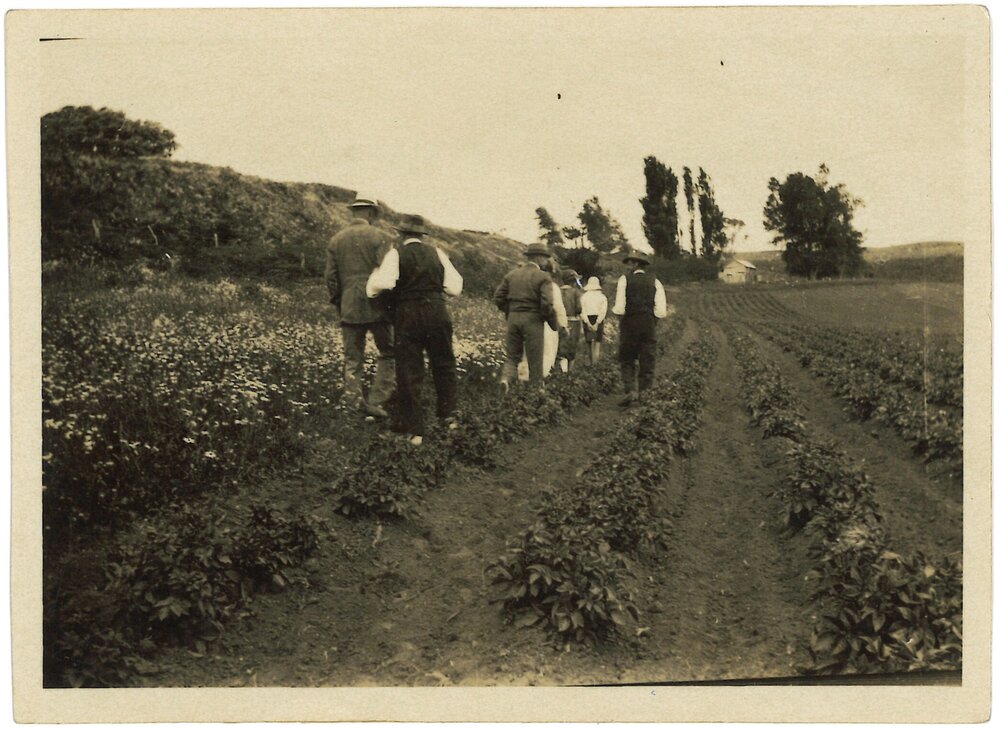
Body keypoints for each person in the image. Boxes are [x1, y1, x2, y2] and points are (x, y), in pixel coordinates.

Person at [366, 214, 463, 446]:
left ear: (400, 234)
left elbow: (384, 283)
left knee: (409, 369)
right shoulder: (438, 253)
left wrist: (372, 286)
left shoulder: (396, 253)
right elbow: (455, 287)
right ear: (421, 235)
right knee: (444, 364)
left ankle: (414, 430)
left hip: (408, 314)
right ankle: (448, 419)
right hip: (438, 313)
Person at [324, 192, 395, 418]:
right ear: (371, 212)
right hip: (378, 306)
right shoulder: (380, 237)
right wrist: (390, 305)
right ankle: (377, 401)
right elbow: (388, 273)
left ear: (354, 211)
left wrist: (340, 301)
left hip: (349, 305)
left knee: (352, 358)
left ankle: (353, 403)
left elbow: (330, 278)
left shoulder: (336, 240)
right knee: (388, 351)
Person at [493, 243, 561, 389]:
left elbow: (498, 298)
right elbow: (547, 303)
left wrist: (510, 311)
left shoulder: (512, 275)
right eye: (544, 258)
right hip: (533, 320)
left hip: (513, 319)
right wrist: (550, 322)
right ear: (538, 258)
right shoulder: (543, 277)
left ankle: (505, 379)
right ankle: (536, 394)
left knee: (512, 356)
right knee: (535, 360)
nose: (546, 261)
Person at [612, 251, 667, 406]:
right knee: (647, 359)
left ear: (636, 264)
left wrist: (623, 322)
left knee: (627, 358)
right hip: (648, 323)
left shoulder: (624, 280)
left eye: (630, 263)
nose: (628, 266)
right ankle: (645, 395)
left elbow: (619, 308)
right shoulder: (655, 282)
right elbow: (661, 310)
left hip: (630, 323)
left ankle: (630, 391)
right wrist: (651, 321)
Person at [557, 269, 583, 373]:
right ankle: (569, 372)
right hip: (573, 321)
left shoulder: (557, 290)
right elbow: (578, 309)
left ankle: (560, 370)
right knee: (571, 347)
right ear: (573, 281)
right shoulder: (575, 292)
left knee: (560, 344)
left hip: (558, 320)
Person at [579, 275, 608, 365]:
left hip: (587, 319)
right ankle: (595, 363)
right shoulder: (602, 297)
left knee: (589, 342)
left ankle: (590, 362)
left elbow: (582, 310)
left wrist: (587, 322)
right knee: (597, 342)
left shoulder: (584, 297)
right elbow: (603, 311)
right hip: (598, 319)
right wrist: (597, 323)